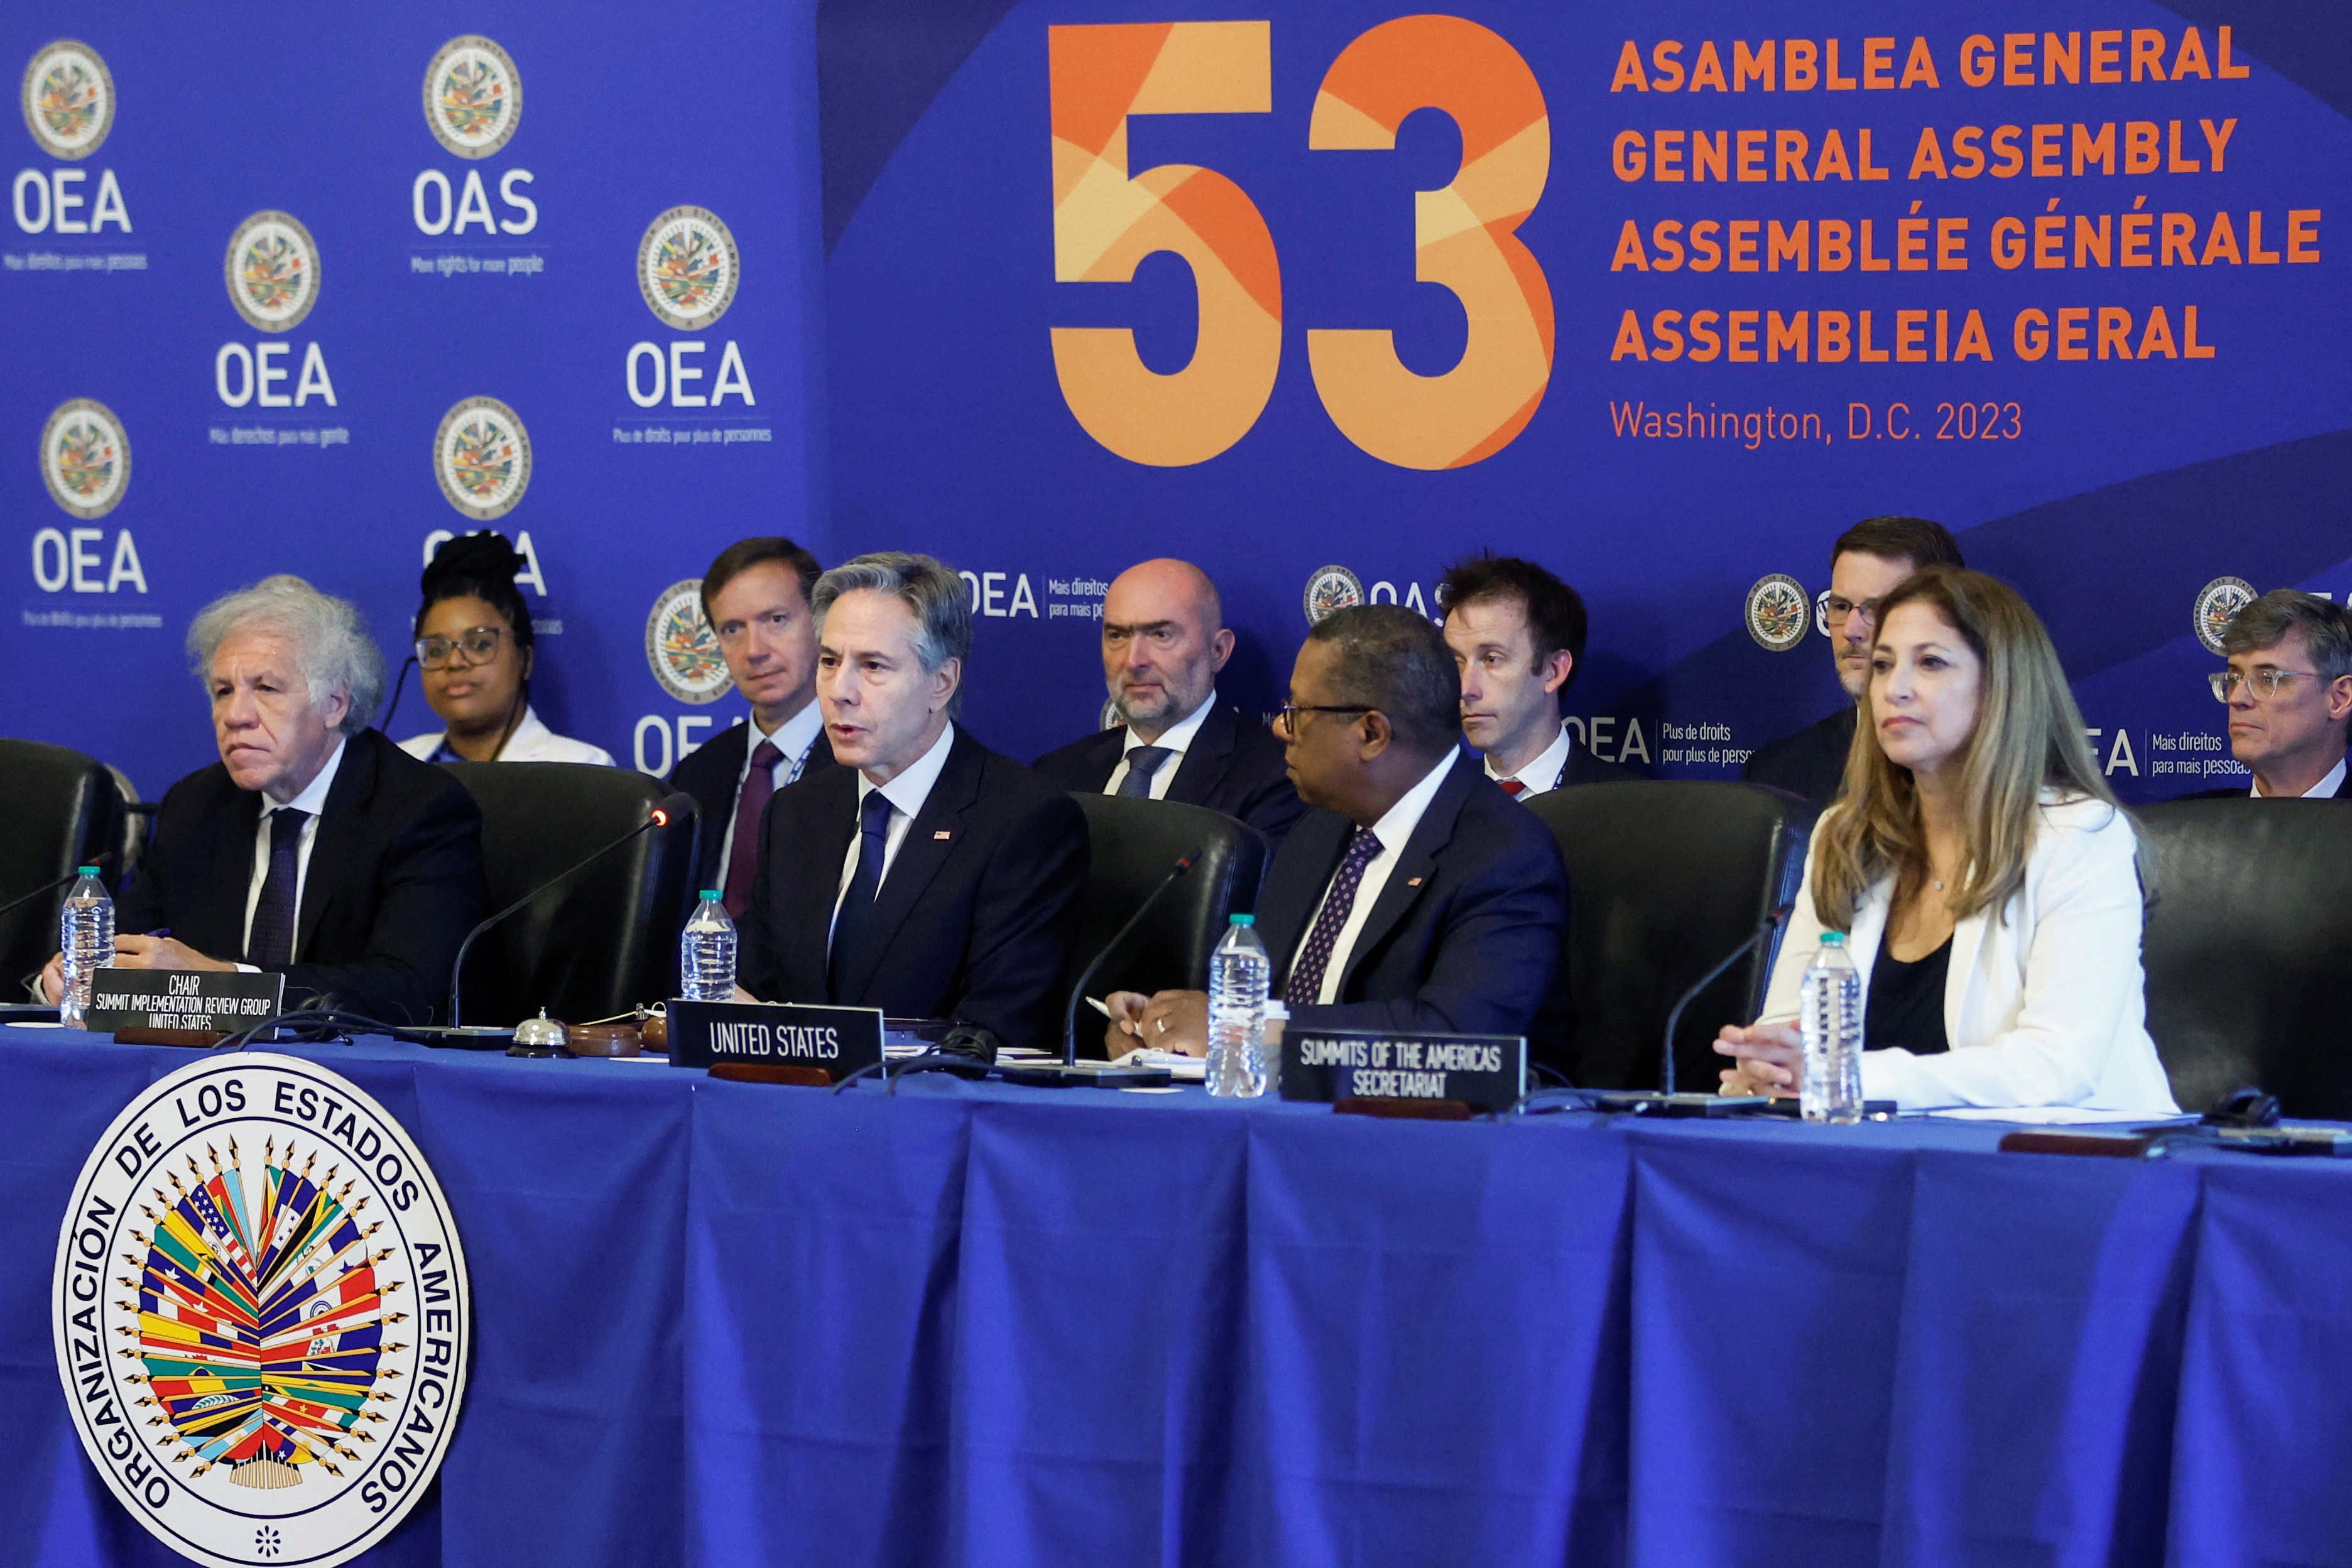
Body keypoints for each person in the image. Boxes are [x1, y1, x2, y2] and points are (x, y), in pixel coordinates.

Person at [1715, 567, 2177, 1113]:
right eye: (1883, 665)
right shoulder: (1845, 835)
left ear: (2001, 686)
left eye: (1930, 663)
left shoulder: (2079, 838)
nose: (1894, 688)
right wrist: (1772, 1061)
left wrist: (1848, 1074)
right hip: (1878, 1159)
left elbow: (2059, 1064)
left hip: (2072, 1161)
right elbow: (1789, 1028)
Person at [1104, 604, 1574, 1070]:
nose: (1279, 727)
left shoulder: (1504, 854)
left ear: (1372, 733)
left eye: (1298, 711)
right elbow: (1268, 1001)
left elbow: (1456, 1039)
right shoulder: (1319, 829)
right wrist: (1161, 1030)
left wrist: (1240, 1026)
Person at [42, 575, 485, 1025]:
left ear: (334, 703)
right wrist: (72, 977)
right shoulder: (195, 806)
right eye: (223, 691)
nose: (235, 716)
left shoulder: (418, 809)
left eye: (267, 689)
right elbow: (127, 943)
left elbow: (412, 990)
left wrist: (225, 984)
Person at [734, 552, 1087, 1051]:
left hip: (931, 1115)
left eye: (873, 666)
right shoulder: (795, 813)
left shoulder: (1024, 821)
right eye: (830, 662)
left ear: (941, 683)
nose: (840, 691)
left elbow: (997, 1028)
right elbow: (757, 993)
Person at [1032, 558, 1304, 844]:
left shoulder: (1278, 776)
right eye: (1117, 636)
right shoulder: (1055, 776)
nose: (1133, 660)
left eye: (1161, 635)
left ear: (1218, 651)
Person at [1745, 516, 1965, 808]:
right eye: (1840, 607)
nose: (1850, 630)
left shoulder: (2000, 771)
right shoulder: (1775, 773)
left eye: (1876, 608)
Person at [667, 537, 835, 911]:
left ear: (821, 622)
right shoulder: (697, 773)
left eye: (775, 620)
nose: (754, 650)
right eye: (732, 630)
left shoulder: (864, 763)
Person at [397, 533, 612, 766]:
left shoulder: (584, 769)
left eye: (480, 645)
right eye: (437, 650)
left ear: (525, 660)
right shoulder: (393, 768)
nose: (455, 662)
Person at [1439, 552, 1631, 795]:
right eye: (1456, 662)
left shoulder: (1627, 808)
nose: (1465, 690)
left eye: (1492, 660)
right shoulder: (1433, 807)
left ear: (1554, 671)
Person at [2174, 590, 2352, 800]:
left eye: (2268, 679)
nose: (2236, 698)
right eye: (2234, 678)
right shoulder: (2184, 826)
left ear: (2340, 698)